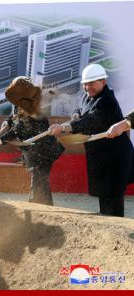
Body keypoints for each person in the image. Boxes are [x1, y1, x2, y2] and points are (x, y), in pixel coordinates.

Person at [49, 64, 133, 217]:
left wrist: (63, 128)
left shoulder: (107, 101)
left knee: (112, 193)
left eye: (92, 83)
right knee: (103, 190)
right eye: (85, 83)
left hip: (115, 155)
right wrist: (74, 116)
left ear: (103, 82)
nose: (88, 87)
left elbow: (89, 122)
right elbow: (79, 110)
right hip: (99, 153)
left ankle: (115, 226)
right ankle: (104, 217)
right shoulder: (85, 95)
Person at [0, 77, 64, 205]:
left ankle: (41, 208)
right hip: (33, 148)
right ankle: (40, 206)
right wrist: (7, 121)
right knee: (38, 178)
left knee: (39, 178)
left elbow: (17, 129)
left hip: (43, 149)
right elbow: (15, 117)